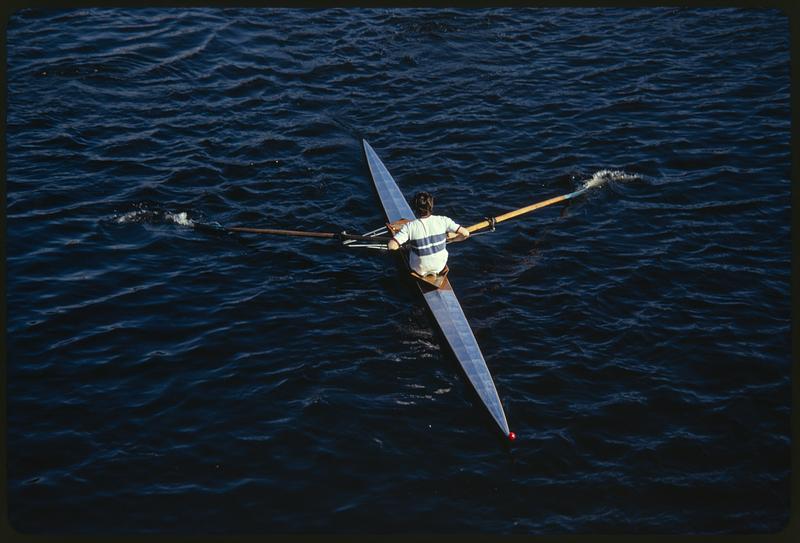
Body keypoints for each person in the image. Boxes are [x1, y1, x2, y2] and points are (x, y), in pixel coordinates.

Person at [387, 191, 470, 276]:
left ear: (415, 208)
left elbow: (391, 246)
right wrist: (452, 239)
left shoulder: (409, 226)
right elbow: (465, 233)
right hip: (440, 267)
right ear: (431, 205)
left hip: (418, 269)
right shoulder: (444, 220)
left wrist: (404, 245)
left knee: (409, 249)